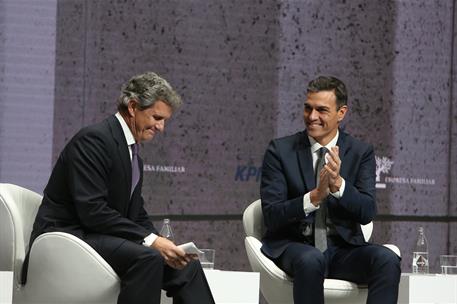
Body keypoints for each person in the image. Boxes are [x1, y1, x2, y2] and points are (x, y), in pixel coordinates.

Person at [23, 72, 215, 304]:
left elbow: (136, 214)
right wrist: (152, 242)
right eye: (156, 117)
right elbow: (92, 211)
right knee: (147, 257)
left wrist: (164, 244)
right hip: (69, 236)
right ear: (133, 107)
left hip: (98, 235)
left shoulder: (134, 156)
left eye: (164, 120)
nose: (161, 127)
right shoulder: (93, 140)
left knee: (187, 267)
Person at [260, 76, 401, 304]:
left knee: (387, 259)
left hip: (342, 250)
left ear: (341, 113)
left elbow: (366, 211)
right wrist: (314, 197)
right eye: (308, 108)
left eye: (321, 110)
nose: (312, 116)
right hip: (295, 246)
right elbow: (272, 215)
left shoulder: (360, 152)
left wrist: (339, 186)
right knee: (311, 259)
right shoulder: (280, 151)